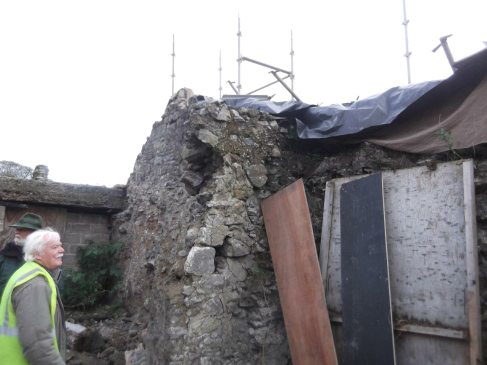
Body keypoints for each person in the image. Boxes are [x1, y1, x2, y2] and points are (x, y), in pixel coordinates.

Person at [0, 228, 66, 365]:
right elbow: (38, 346)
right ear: (37, 255)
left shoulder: (30, 272)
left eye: (60, 245)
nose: (62, 250)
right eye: (55, 247)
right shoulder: (35, 284)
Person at [0, 213, 43, 295]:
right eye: (17, 229)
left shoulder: (44, 257)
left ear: (35, 234)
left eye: (22, 229)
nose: (17, 232)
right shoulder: (5, 255)